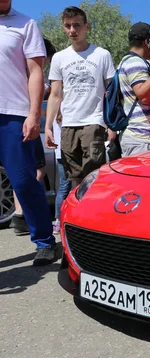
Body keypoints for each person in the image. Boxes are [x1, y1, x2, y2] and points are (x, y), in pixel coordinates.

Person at [0, 0, 58, 265]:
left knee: (23, 180)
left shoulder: (25, 24)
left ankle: (45, 240)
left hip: (13, 112)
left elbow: (36, 71)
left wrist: (34, 114)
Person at [45, 6, 116, 186]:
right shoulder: (59, 57)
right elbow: (55, 95)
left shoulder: (102, 55)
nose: (72, 30)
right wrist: (48, 127)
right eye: (68, 26)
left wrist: (112, 124)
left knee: (93, 175)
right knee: (73, 179)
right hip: (68, 124)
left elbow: (112, 92)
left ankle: (94, 212)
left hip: (93, 121)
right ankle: (78, 213)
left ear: (87, 26)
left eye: (76, 25)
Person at [10, 38, 56, 236]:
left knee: (19, 172)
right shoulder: (33, 76)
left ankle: (20, 215)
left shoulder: (18, 73)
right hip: (29, 125)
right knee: (36, 170)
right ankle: (29, 216)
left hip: (18, 124)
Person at [117, 22, 150, 156]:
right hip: (141, 140)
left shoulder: (129, 61)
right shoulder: (135, 62)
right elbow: (145, 96)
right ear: (148, 42)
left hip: (144, 139)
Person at [52, 109, 71, 234]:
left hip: (59, 152)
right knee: (67, 186)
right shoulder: (67, 108)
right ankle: (58, 220)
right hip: (68, 151)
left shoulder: (54, 111)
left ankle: (58, 221)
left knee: (63, 186)